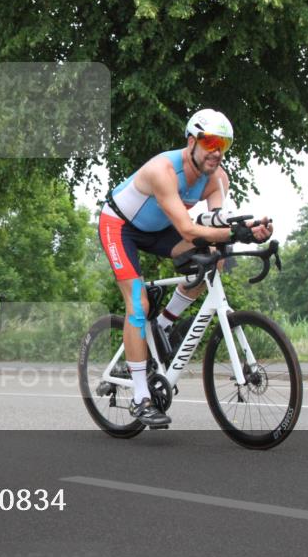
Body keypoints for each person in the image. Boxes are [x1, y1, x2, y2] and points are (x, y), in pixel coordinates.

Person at [98, 109, 273, 427]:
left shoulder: (218, 178)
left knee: (212, 259)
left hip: (160, 230)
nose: (217, 151)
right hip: (119, 226)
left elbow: (216, 221)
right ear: (191, 141)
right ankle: (140, 398)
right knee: (138, 302)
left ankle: (163, 326)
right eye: (210, 142)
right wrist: (235, 232)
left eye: (224, 145)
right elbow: (190, 229)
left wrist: (249, 229)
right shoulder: (163, 170)